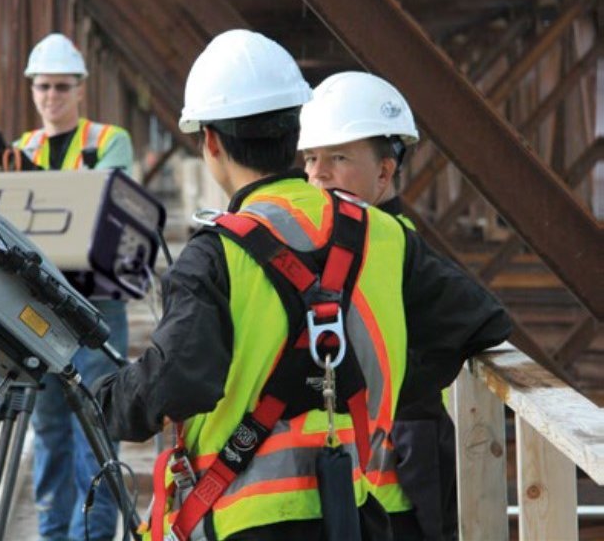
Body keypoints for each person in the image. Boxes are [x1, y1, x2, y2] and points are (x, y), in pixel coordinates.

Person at [93, 30, 511, 541]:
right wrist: (377, 382)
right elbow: (482, 322)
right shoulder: (382, 234)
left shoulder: (213, 254)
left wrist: (110, 401)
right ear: (296, 135)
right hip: (351, 506)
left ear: (211, 142)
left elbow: (181, 378)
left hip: (245, 517)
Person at [299, 71, 457, 540]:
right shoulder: (339, 244)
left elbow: (479, 326)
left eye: (338, 157)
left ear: (385, 171)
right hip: (364, 482)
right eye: (310, 158)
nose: (317, 173)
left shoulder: (394, 249)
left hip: (397, 487)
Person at [9, 33, 134, 541]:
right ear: (32, 90)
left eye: (62, 87)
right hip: (40, 312)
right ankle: (53, 535)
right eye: (43, 87)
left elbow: (102, 209)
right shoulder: (23, 148)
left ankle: (94, 536)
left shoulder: (109, 141)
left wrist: (29, 188)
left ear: (81, 90)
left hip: (94, 308)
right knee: (51, 432)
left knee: (96, 433)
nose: (51, 97)